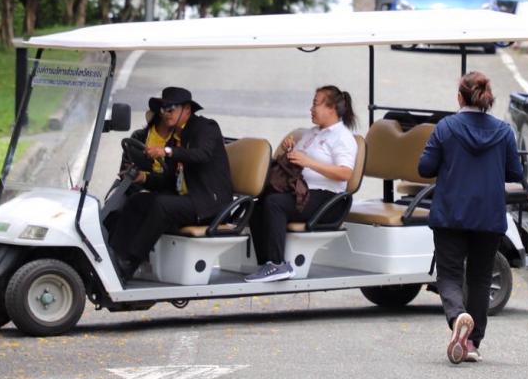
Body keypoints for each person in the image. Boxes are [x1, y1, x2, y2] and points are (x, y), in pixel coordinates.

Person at [418, 71, 522, 364]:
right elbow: (516, 173)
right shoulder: (504, 132)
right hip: (489, 216)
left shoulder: (446, 128)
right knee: (479, 278)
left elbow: (425, 167)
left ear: (460, 98)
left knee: (450, 274)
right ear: (487, 98)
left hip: (450, 214)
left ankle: (457, 317)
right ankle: (472, 343)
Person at [108, 86, 233, 283]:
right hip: (187, 200)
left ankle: (130, 262)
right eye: (163, 109)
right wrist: (143, 178)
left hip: (209, 203)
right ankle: (114, 256)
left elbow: (202, 155)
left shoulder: (206, 127)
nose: (166, 113)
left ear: (187, 110)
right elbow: (169, 179)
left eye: (171, 109)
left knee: (162, 206)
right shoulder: (176, 138)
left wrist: (167, 152)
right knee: (138, 201)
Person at [245, 85, 358, 283]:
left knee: (275, 203)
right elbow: (297, 163)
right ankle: (267, 263)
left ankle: (277, 264)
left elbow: (345, 173)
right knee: (257, 204)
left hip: (328, 199)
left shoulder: (343, 137)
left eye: (315, 104)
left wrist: (309, 162)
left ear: (332, 108)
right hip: (303, 192)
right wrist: (288, 150)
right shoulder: (311, 133)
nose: (311, 109)